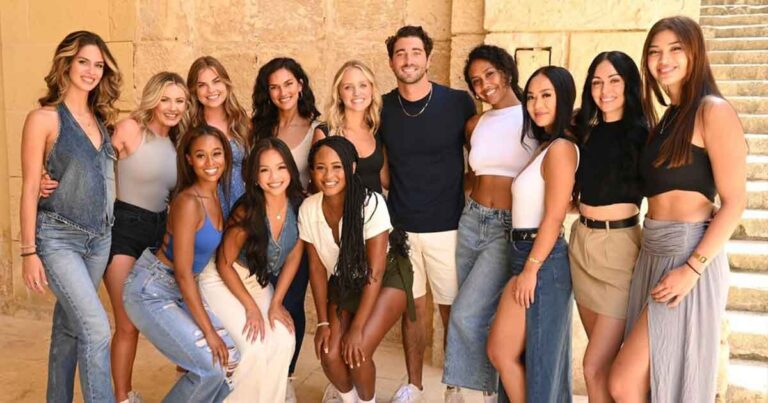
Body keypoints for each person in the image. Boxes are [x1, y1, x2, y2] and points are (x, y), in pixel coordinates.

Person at [609, 16, 746, 403]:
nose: (663, 59)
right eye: (654, 52)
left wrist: (692, 269)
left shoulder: (712, 110)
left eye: (674, 49)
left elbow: (736, 202)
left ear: (695, 53)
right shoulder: (668, 118)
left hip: (689, 254)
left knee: (625, 382)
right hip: (652, 252)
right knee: (650, 382)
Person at [20, 31, 121, 403]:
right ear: (66, 64)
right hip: (58, 238)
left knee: (68, 328)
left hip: (99, 240)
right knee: (96, 329)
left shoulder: (101, 120)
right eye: (83, 62)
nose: (91, 71)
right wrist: (28, 252)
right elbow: (30, 187)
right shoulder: (44, 119)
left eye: (98, 65)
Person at [379, 25, 476, 402]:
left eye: (415, 52)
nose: (408, 59)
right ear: (391, 61)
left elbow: (480, 156)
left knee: (453, 311)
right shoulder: (383, 107)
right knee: (413, 310)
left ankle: (455, 386)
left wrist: (462, 188)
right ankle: (414, 385)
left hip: (448, 226)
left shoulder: (458, 103)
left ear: (428, 58)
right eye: (401, 53)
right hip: (401, 226)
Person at [442, 44, 536, 402]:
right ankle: (482, 391)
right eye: (476, 81)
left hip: (506, 227)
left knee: (466, 313)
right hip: (472, 220)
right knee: (477, 312)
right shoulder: (475, 124)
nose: (484, 85)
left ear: (506, 72)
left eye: (489, 75)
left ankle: (476, 392)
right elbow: (473, 174)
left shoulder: (533, 116)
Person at [123, 125, 240, 403]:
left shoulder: (216, 195)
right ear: (189, 160)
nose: (210, 162)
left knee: (230, 360)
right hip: (151, 290)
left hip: (178, 288)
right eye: (201, 155)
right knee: (211, 366)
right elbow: (184, 274)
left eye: (216, 154)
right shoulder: (188, 202)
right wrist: (209, 333)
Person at [487, 66, 578, 403]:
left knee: (524, 357)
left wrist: (531, 269)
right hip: (526, 253)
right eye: (531, 97)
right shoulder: (545, 146)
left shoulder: (561, 149)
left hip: (541, 259)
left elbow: (554, 216)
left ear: (563, 98)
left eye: (546, 95)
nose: (537, 104)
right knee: (515, 355)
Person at [300, 136, 412, 403]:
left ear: (351, 168)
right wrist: (323, 322)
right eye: (320, 168)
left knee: (357, 350)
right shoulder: (308, 209)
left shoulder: (370, 203)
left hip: (386, 277)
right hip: (345, 281)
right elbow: (316, 269)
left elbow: (375, 270)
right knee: (329, 353)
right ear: (312, 171)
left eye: (337, 167)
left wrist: (357, 327)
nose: (328, 175)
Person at [198, 137, 304, 402]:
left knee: (284, 339)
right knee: (254, 346)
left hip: (256, 280)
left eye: (280, 168)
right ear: (255, 177)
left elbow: (294, 256)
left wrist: (276, 302)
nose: (274, 177)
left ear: (290, 170)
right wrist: (251, 307)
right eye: (264, 170)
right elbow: (223, 263)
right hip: (223, 278)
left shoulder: (297, 205)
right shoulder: (247, 210)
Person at [569, 51, 647, 403]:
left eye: (615, 80)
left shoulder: (644, 135)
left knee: (592, 366)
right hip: (581, 243)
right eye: (597, 82)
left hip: (620, 248)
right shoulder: (584, 132)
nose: (605, 90)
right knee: (602, 365)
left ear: (629, 85)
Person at [250, 58, 323, 398]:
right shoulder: (258, 128)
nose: (283, 92)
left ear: (301, 85)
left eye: (289, 84)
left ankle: (287, 378)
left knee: (291, 300)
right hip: (259, 222)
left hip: (297, 223)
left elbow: (322, 180)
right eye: (274, 87)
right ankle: (263, 373)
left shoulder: (317, 128)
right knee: (261, 296)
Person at [187, 56, 250, 217]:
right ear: (194, 90)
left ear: (226, 83)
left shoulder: (241, 122)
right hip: (204, 208)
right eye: (202, 85)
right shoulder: (190, 126)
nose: (211, 90)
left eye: (216, 81)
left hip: (241, 205)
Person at [314, 60, 388, 193]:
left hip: (376, 206)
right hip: (341, 206)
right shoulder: (325, 133)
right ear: (339, 94)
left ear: (372, 90)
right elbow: (318, 186)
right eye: (348, 87)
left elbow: (386, 181)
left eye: (363, 85)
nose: (357, 92)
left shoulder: (377, 130)